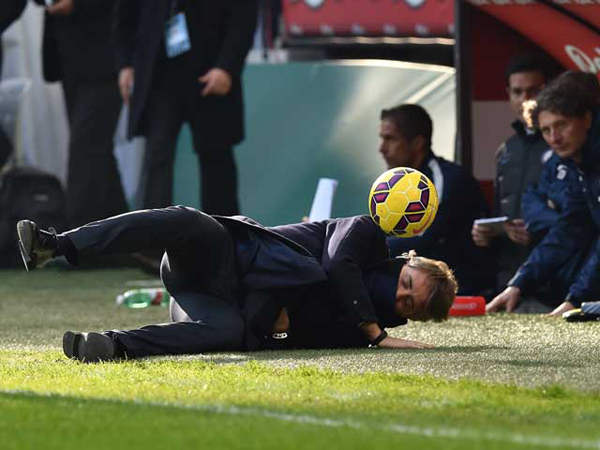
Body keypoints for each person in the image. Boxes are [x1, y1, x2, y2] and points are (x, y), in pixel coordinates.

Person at [16, 205, 458, 362]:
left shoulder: (354, 331)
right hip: (223, 254)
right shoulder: (363, 233)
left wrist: (282, 330)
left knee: (227, 332)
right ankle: (57, 245)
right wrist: (376, 335)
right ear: (407, 259)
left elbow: (289, 338)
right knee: (189, 221)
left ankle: (112, 346)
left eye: (408, 304)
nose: (398, 294)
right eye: (406, 282)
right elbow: (340, 266)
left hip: (211, 306)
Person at [113, 1, 258, 215]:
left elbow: (244, 12)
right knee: (157, 157)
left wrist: (227, 66)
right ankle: (152, 231)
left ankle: (224, 230)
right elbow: (125, 12)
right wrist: (125, 64)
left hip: (209, 66)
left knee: (216, 158)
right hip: (159, 70)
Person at [486, 78, 599, 315]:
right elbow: (570, 229)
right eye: (546, 130)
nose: (554, 138)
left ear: (587, 119)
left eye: (561, 125)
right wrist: (518, 284)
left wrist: (577, 298)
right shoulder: (575, 163)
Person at [32, 0, 128, 228]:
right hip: (68, 60)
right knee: (98, 154)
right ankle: (125, 236)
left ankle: (77, 237)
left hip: (105, 56)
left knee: (85, 151)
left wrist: (77, 3)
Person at [379, 104, 493, 295]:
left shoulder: (446, 180)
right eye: (382, 138)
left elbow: (423, 239)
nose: (382, 148)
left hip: (464, 292)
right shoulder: (397, 183)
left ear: (417, 143)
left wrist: (365, 246)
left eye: (390, 139)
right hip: (424, 291)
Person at [471, 54, 552, 301]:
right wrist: (486, 232)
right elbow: (501, 214)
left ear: (547, 91)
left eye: (533, 91)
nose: (525, 100)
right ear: (508, 94)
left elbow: (579, 220)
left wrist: (537, 230)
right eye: (517, 92)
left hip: (554, 285)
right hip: (507, 283)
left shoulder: (563, 145)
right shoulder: (506, 150)